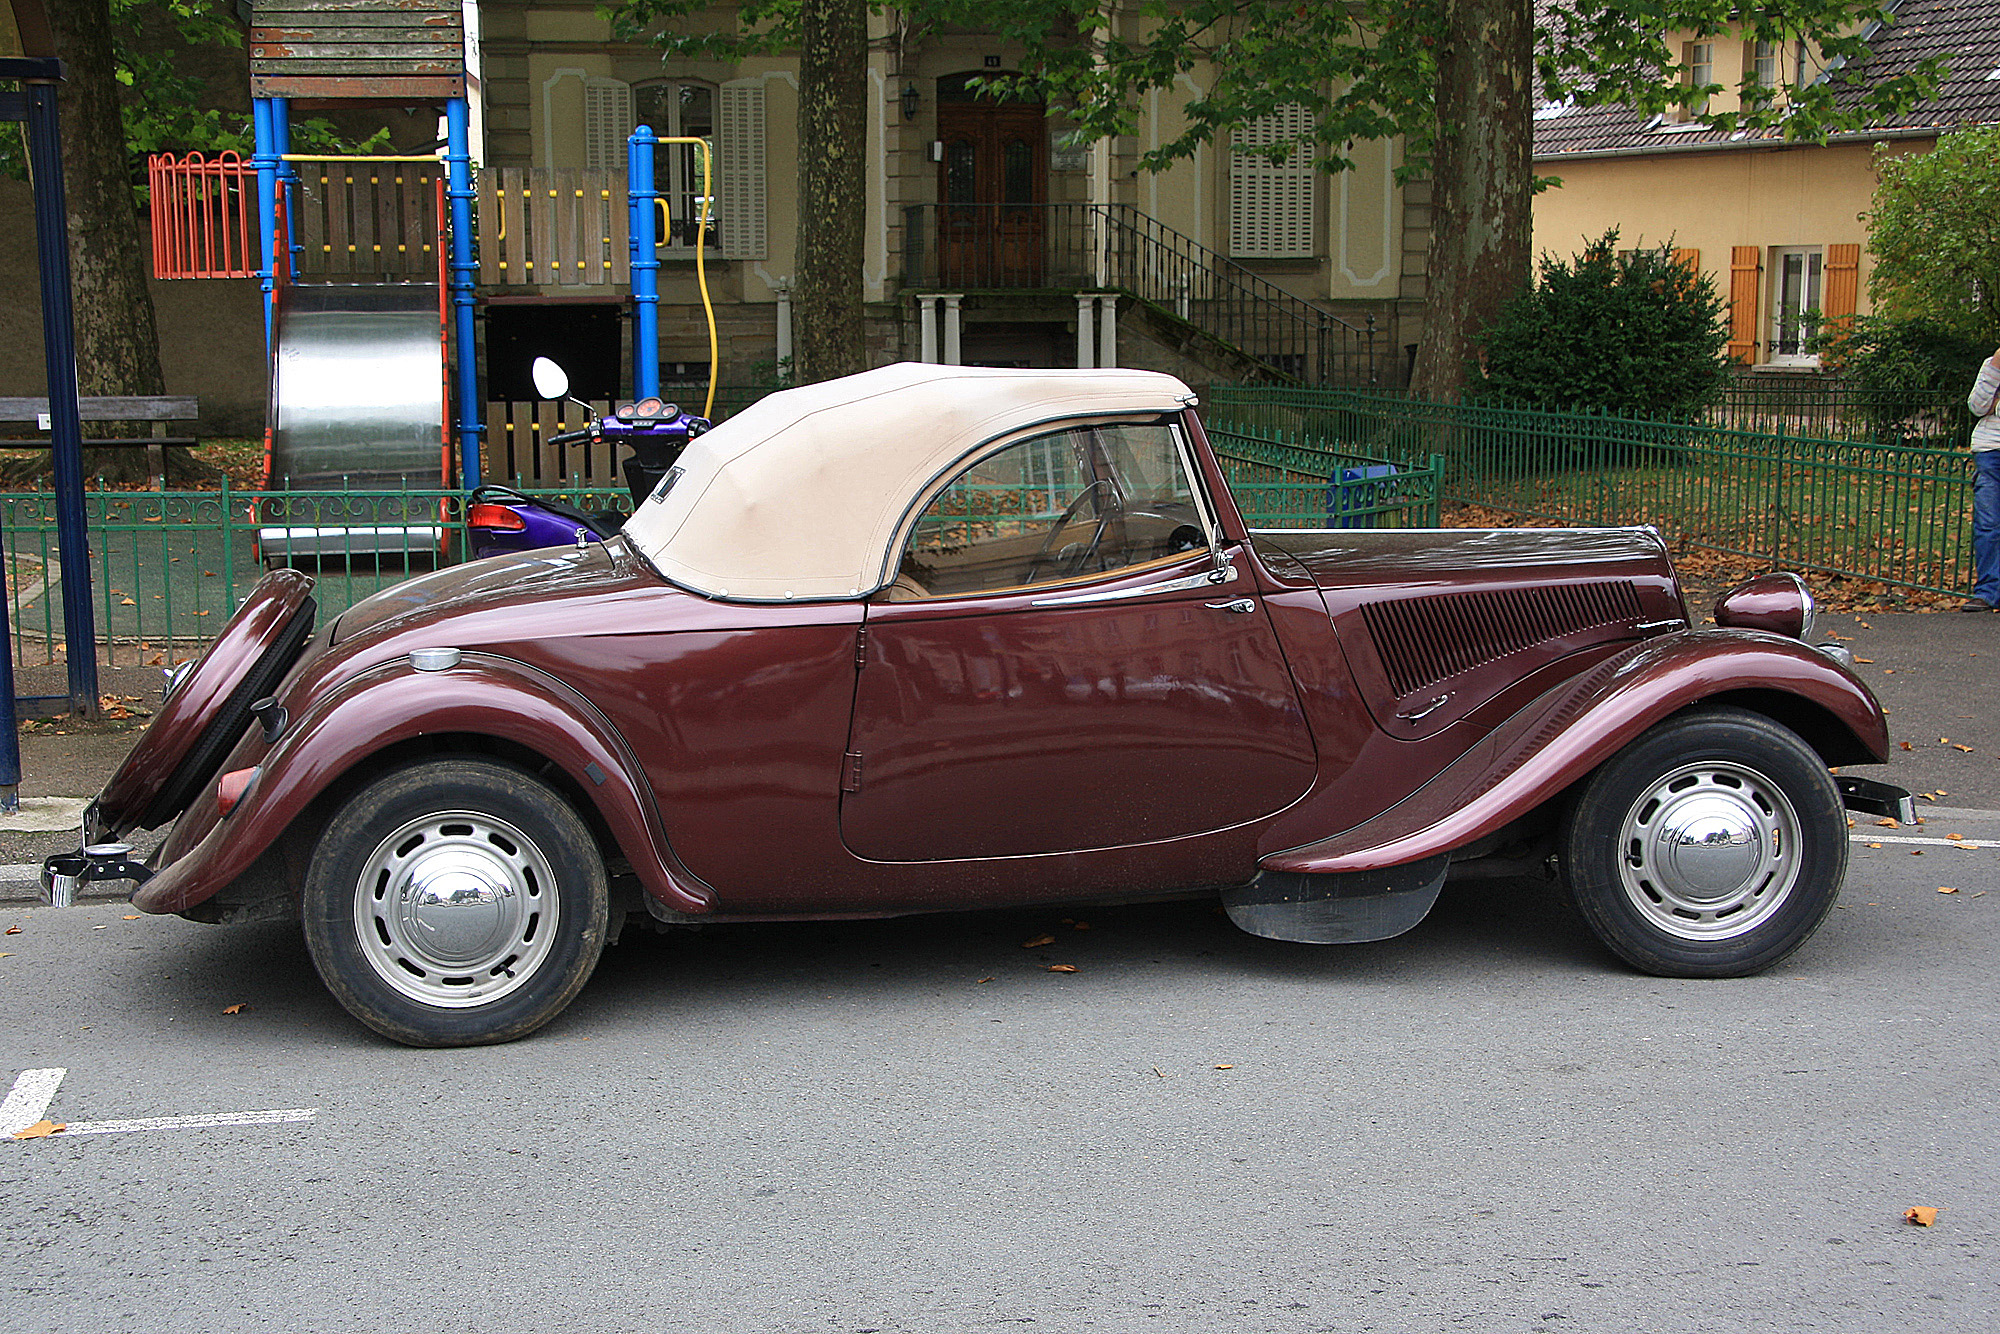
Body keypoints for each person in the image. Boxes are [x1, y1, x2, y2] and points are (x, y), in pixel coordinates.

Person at [1966, 346, 2000, 611]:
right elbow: (1977, 407)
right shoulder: (1992, 363)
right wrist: (1996, 367)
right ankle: (1988, 591)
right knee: (1988, 525)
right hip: (1991, 451)